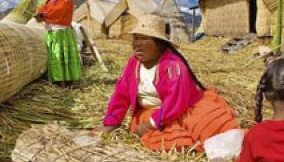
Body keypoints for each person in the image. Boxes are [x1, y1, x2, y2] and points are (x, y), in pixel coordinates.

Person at [91, 13, 239, 151]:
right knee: (159, 138)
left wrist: (150, 124)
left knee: (209, 130)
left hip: (183, 109)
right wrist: (111, 123)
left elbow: (176, 101)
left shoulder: (173, 66)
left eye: (145, 39)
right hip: (151, 112)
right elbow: (121, 94)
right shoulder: (133, 64)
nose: (138, 44)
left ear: (160, 44)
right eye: (136, 38)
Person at [34, 0, 81, 86]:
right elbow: (43, 9)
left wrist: (44, 15)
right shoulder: (50, 0)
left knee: (61, 55)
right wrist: (38, 15)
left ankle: (67, 81)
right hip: (51, 32)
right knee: (54, 56)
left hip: (61, 33)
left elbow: (59, 12)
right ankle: (57, 79)